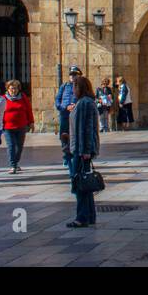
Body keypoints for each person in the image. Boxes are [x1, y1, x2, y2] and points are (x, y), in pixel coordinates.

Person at [67, 75, 100, 228]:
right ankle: (90, 216)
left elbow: (87, 129)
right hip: (80, 148)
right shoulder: (83, 102)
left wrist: (85, 150)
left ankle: (82, 217)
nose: (73, 89)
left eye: (74, 86)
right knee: (85, 184)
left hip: (81, 150)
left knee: (80, 185)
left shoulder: (85, 103)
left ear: (80, 88)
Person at [2, 80, 34, 174]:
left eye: (15, 88)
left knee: (19, 147)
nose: (13, 90)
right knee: (11, 146)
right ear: (7, 89)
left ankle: (15, 163)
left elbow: (28, 110)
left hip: (21, 126)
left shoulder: (23, 97)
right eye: (11, 88)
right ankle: (13, 165)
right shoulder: (3, 98)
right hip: (8, 127)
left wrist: (31, 122)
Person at [55, 65, 82, 169]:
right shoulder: (64, 86)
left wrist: (76, 106)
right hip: (65, 114)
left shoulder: (81, 86)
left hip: (76, 113)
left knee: (75, 135)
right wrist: (63, 107)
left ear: (79, 75)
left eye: (74, 74)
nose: (72, 76)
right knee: (64, 135)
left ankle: (74, 154)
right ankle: (66, 156)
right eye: (71, 74)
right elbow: (58, 99)